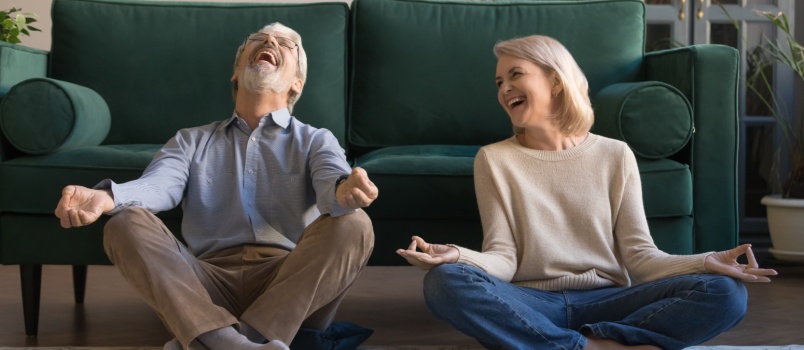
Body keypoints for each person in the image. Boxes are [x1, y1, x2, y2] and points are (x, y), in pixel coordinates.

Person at [396, 35, 777, 350]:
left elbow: (641, 257)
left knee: (726, 292)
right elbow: (504, 258)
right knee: (445, 282)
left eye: (515, 75)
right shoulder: (494, 159)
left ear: (555, 81)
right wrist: (457, 256)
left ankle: (557, 343)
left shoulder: (615, 154)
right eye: (499, 82)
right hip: (530, 303)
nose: (504, 88)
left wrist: (706, 261)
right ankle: (595, 347)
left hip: (610, 300)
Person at [54, 23, 378, 350]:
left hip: (289, 288)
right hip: (202, 287)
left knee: (354, 224)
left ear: (297, 83)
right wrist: (107, 197)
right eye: (258, 38)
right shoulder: (190, 140)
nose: (269, 40)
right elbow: (158, 186)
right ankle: (230, 340)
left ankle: (216, 340)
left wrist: (344, 190)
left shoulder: (316, 140)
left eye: (286, 43)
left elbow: (332, 180)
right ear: (235, 73)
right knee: (123, 222)